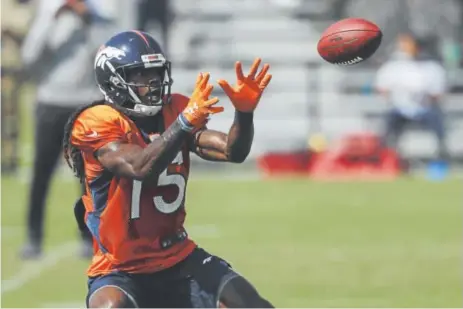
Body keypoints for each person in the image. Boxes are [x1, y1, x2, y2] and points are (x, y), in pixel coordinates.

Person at [62, 30, 273, 308]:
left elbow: (232, 151)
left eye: (155, 74)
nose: (152, 83)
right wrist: (184, 123)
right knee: (110, 306)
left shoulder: (176, 108)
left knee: (250, 304)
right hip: (120, 267)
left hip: (177, 256)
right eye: (139, 75)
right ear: (113, 81)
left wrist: (244, 114)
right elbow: (140, 166)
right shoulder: (96, 120)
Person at [19, 0, 99, 259]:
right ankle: (33, 237)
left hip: (84, 103)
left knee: (89, 176)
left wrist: (88, 19)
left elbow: (105, 53)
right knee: (41, 174)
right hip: (50, 102)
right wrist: (54, 16)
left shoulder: (97, 11)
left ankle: (89, 238)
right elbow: (29, 57)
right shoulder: (48, 10)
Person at [375, 32, 448, 166]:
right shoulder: (393, 66)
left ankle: (440, 158)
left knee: (438, 123)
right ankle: (384, 160)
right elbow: (382, 88)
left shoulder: (431, 67)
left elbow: (437, 93)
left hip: (424, 109)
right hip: (399, 109)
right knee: (387, 127)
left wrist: (421, 96)